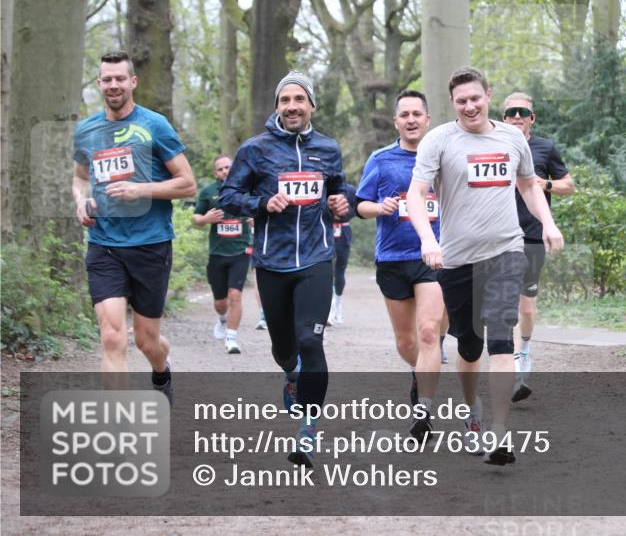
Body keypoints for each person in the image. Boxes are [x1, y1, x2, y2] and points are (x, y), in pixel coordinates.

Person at [407, 67, 564, 466]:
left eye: (475, 98)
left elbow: (528, 185)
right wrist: (428, 239)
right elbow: (416, 193)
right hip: (456, 258)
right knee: (469, 345)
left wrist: (548, 223)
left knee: (499, 340)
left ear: (488, 96)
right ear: (453, 104)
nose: (470, 106)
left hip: (506, 251)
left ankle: (499, 433)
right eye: (461, 101)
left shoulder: (512, 139)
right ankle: (472, 410)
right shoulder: (439, 140)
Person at [218, 71, 352, 467]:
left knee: (311, 342)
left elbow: (339, 189)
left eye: (299, 99)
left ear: (311, 105)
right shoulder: (255, 150)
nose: (292, 106)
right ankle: (291, 373)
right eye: (285, 100)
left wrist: (341, 202)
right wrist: (262, 204)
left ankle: (308, 432)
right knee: (284, 350)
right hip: (272, 262)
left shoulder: (328, 148)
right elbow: (229, 196)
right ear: (277, 107)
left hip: (316, 258)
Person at [72, 50, 197, 402]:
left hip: (150, 244)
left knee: (146, 340)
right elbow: (80, 179)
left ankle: (161, 368)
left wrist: (141, 189)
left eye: (120, 78)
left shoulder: (154, 125)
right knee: (112, 336)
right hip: (104, 244)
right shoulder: (87, 131)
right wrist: (81, 202)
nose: (113, 85)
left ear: (132, 82)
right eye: (107, 79)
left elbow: (187, 183)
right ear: (99, 84)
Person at [355, 90, 445, 439]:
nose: (411, 120)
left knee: (428, 333)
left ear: (427, 120)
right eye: (404, 114)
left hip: (433, 257)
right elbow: (360, 205)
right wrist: (380, 208)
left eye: (417, 114)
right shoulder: (381, 159)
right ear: (396, 122)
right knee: (407, 342)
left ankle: (424, 409)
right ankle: (421, 372)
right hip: (392, 258)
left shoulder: (442, 157)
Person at [502, 92, 575, 402]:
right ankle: (511, 367)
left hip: (532, 235)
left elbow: (569, 186)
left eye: (523, 112)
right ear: (503, 118)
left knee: (527, 308)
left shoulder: (545, 148)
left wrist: (540, 183)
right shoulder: (493, 146)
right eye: (511, 113)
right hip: (498, 235)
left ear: (532, 118)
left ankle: (525, 350)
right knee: (502, 307)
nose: (517, 117)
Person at [193, 155, 253, 353]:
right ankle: (222, 319)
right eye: (220, 169)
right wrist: (206, 218)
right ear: (215, 173)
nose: (225, 171)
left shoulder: (247, 188)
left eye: (228, 167)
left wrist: (256, 219)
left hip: (241, 251)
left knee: (235, 295)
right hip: (217, 252)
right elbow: (196, 217)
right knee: (220, 302)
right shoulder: (208, 192)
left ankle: (232, 338)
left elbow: (259, 209)